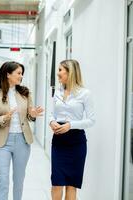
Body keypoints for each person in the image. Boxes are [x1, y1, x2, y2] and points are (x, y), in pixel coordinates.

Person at [0, 61, 43, 200]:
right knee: (3, 181)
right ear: (8, 74)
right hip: (2, 143)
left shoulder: (25, 93)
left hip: (23, 142)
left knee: (19, 181)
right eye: (18, 73)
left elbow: (29, 115)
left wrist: (33, 115)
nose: (21, 76)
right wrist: (4, 118)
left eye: (21, 73)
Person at [49, 59, 95, 200]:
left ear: (70, 72)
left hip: (76, 142)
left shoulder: (85, 93)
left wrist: (71, 125)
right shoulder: (58, 92)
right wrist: (51, 122)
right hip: (58, 142)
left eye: (60, 70)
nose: (58, 73)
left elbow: (91, 120)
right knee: (56, 183)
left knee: (71, 184)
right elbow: (52, 113)